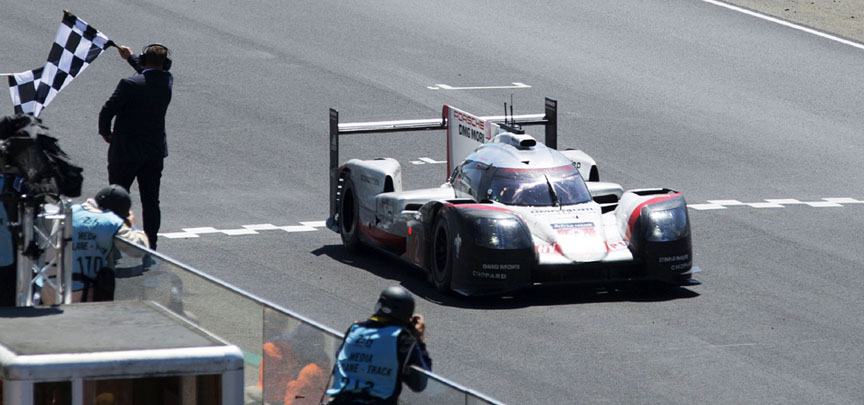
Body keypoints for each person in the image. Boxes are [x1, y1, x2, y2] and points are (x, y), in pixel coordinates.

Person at [98, 43, 173, 249]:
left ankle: (116, 242)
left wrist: (105, 132)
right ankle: (152, 245)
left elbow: (107, 111)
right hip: (153, 153)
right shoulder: (167, 80)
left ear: (143, 60)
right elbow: (149, 75)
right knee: (151, 202)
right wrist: (130, 58)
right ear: (165, 64)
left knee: (117, 199)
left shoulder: (128, 84)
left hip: (125, 152)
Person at [41, 185, 149, 304]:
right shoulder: (110, 220)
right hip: (81, 292)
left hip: (49, 287)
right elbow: (139, 249)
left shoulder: (69, 211)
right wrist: (132, 226)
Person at [326, 286, 432, 405]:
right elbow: (420, 383)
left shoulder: (355, 329)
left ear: (379, 305)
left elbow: (338, 362)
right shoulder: (402, 339)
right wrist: (419, 341)